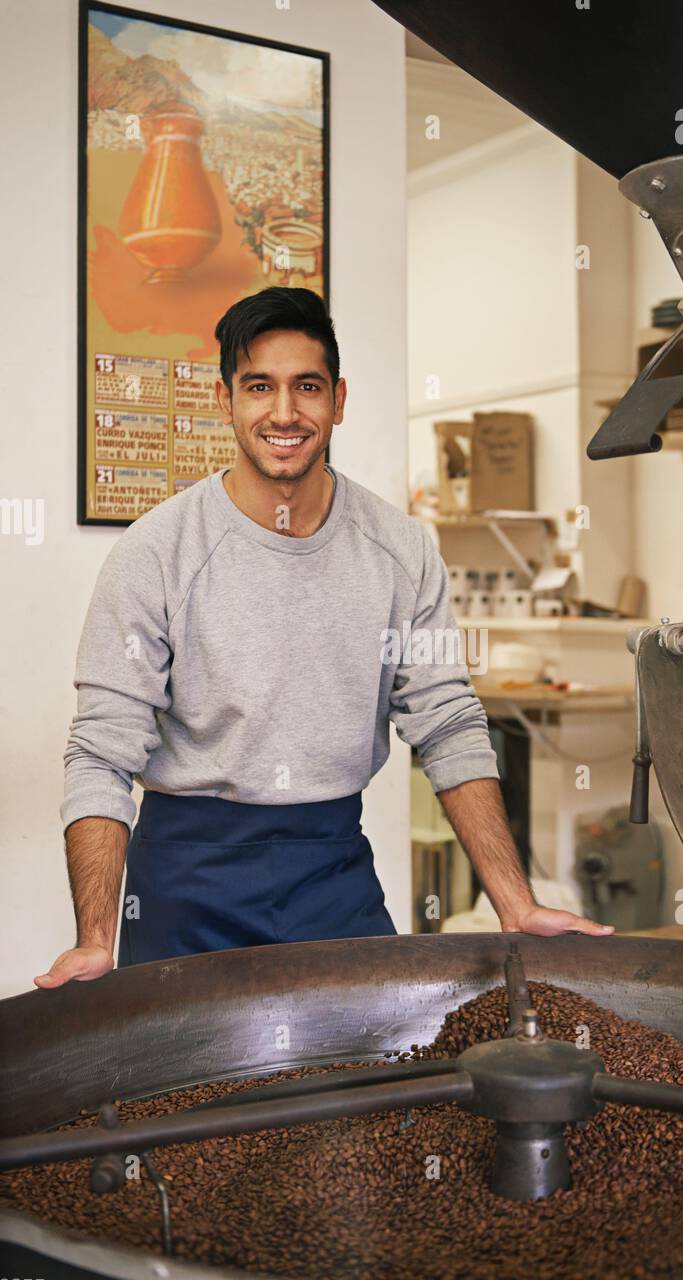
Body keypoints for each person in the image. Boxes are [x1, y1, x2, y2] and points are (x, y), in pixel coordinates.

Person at [37, 288, 612, 987]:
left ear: (337, 400)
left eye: (306, 387)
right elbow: (101, 751)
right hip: (185, 877)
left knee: (367, 1082)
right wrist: (94, 938)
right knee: (187, 1094)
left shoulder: (399, 548)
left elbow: (448, 724)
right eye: (259, 387)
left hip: (331, 868)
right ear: (225, 401)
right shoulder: (156, 552)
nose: (284, 412)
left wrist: (514, 904)